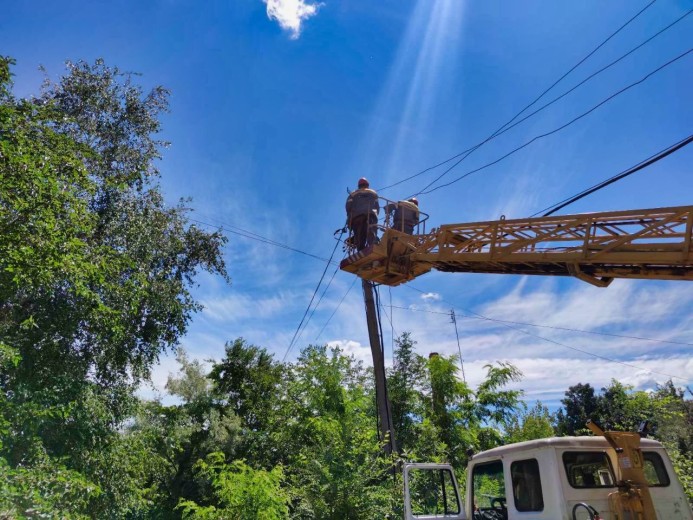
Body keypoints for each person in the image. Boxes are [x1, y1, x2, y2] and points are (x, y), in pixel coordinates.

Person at [345, 177, 379, 250]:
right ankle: (372, 247)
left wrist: (349, 218)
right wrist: (375, 216)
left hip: (356, 218)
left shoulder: (353, 194)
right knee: (371, 232)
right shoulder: (373, 193)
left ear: (359, 186)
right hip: (370, 216)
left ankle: (361, 250)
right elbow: (377, 207)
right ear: (367, 185)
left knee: (359, 236)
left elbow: (348, 207)